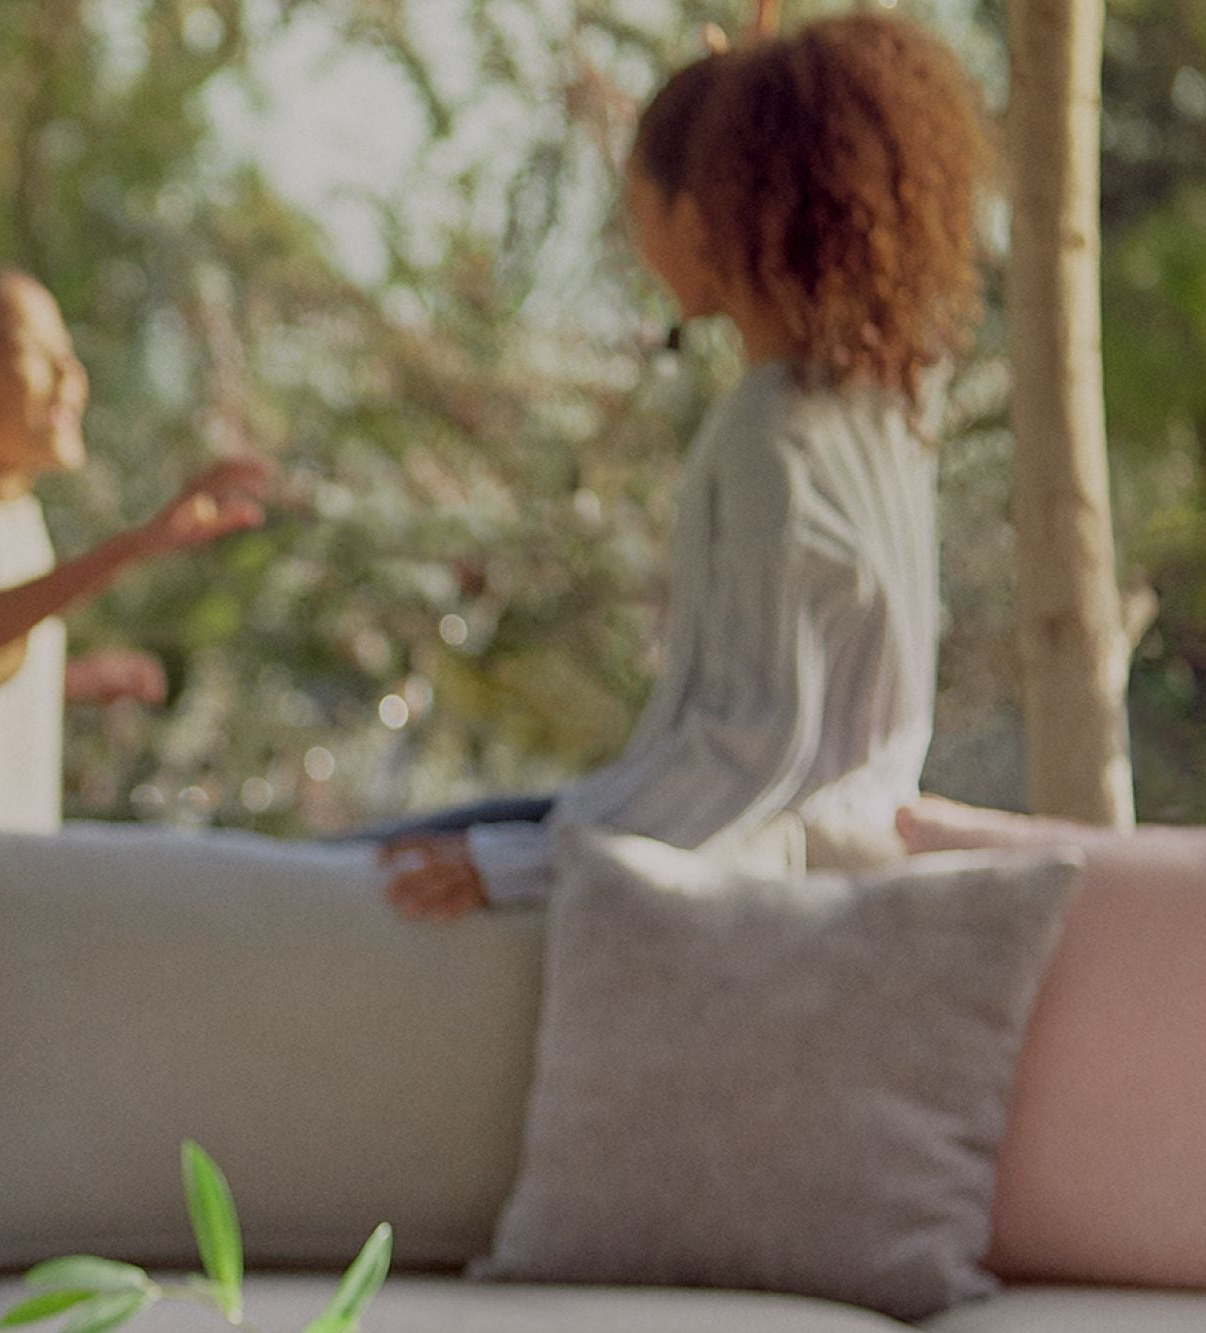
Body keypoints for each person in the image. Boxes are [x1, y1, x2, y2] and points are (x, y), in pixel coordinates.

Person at [377, 15, 987, 922]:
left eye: (639, 205)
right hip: (823, 839)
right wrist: (750, 101)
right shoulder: (891, 406)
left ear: (702, 219)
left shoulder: (771, 435)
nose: (634, 238)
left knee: (354, 871)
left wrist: (516, 870)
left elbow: (752, 750)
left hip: (754, 868)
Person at [0, 270, 273, 824]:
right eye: (36, 352)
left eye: (69, 351)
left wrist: (70, 680)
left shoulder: (4, 516)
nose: (71, 373)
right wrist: (132, 547)